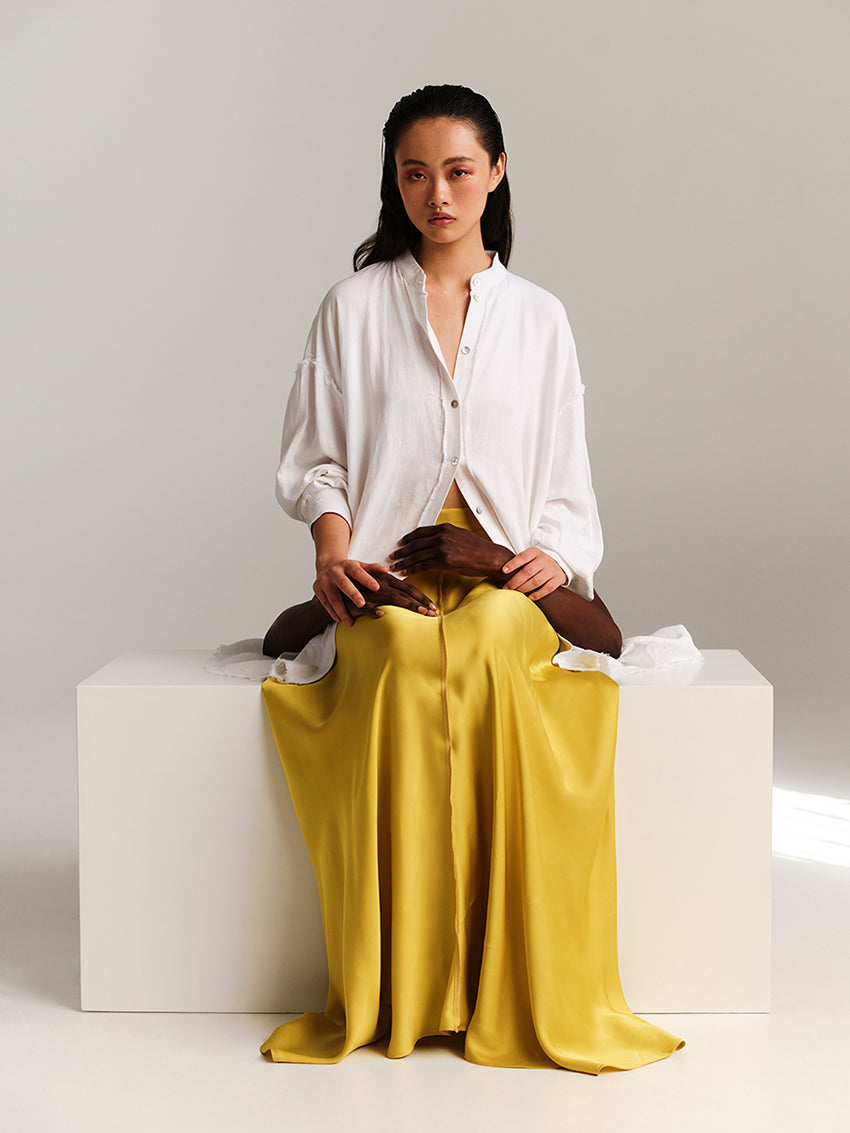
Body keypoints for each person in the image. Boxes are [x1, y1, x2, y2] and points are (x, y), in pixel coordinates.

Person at [258, 84, 685, 1073]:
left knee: (496, 641)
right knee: (404, 654)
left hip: (499, 576)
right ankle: (407, 987)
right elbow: (317, 458)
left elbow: (567, 482)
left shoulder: (540, 318)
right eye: (414, 173)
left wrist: (536, 558)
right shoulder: (352, 307)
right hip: (385, 569)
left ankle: (510, 979)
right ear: (392, 183)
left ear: (494, 172)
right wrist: (332, 551)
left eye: (456, 170)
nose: (437, 194)